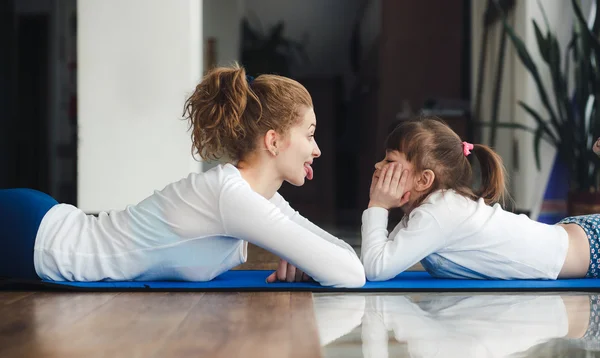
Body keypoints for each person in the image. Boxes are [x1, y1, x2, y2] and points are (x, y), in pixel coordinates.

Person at [0, 64, 365, 288]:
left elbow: (342, 257)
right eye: (310, 133)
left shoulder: (258, 196)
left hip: (39, 224)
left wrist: (308, 259)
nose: (316, 149)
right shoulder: (231, 196)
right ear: (273, 140)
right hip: (38, 238)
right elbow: (350, 273)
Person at [361, 116, 593, 281]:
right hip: (578, 238)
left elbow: (376, 269)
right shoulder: (431, 209)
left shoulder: (437, 214)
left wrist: (378, 205)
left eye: (389, 161)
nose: (377, 165)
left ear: (424, 180)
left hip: (592, 249)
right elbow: (379, 256)